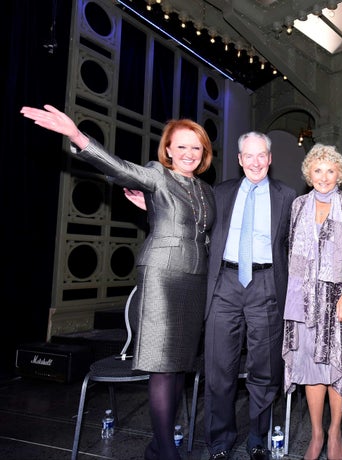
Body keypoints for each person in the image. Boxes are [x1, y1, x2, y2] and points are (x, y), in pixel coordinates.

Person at [21, 104, 216, 460]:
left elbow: (193, 229)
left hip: (195, 279)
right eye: (182, 146)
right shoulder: (157, 174)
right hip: (162, 275)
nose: (189, 153)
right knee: (161, 364)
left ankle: (158, 445)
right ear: (168, 149)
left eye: (196, 147)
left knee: (179, 366)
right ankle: (168, 452)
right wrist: (76, 135)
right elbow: (119, 168)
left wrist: (154, 210)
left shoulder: (204, 189)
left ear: (204, 153)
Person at [203, 132, 296, 460]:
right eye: (249, 156)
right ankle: (219, 441)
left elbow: (295, 247)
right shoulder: (220, 193)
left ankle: (258, 438)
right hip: (224, 285)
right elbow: (194, 223)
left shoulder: (287, 196)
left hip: (266, 285)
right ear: (240, 159)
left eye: (262, 156)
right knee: (218, 369)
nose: (255, 162)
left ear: (269, 159)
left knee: (264, 370)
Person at [282, 144, 342, 460]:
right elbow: (291, 252)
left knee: (337, 365)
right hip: (304, 302)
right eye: (318, 170)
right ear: (309, 174)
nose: (324, 176)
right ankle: (316, 434)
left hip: (339, 301)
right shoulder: (298, 205)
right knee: (311, 367)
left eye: (330, 170)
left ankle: (335, 430)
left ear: (339, 175)